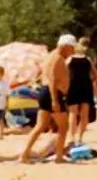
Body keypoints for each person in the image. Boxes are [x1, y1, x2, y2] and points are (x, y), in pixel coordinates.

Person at [22, 35, 78, 164]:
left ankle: (24, 155)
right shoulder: (57, 58)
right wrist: (55, 100)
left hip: (45, 92)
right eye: (71, 48)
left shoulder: (50, 56)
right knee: (63, 127)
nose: (72, 51)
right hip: (52, 93)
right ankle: (58, 157)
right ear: (65, 46)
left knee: (40, 126)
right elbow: (53, 80)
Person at [66, 39, 97, 147]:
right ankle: (80, 138)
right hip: (86, 87)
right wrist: (90, 80)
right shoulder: (88, 60)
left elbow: (64, 73)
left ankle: (71, 137)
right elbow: (96, 75)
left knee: (73, 113)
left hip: (73, 86)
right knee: (84, 114)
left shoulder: (69, 59)